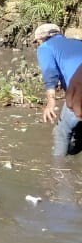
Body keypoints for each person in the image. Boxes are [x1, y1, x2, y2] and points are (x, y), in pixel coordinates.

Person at [35, 23, 82, 156]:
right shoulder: (78, 43)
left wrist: (51, 101)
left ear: (42, 38)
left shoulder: (45, 47)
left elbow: (50, 73)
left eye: (37, 42)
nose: (38, 44)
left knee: (61, 131)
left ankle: (59, 167)